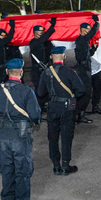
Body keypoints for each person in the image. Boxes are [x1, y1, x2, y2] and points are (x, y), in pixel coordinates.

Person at [0, 58, 41, 200]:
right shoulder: (26, 91)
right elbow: (35, 114)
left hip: (4, 135)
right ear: (21, 72)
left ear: (6, 72)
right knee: (22, 170)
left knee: (7, 169)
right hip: (21, 135)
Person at [36, 46, 85, 175]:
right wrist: (72, 95)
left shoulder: (46, 73)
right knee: (66, 136)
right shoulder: (69, 72)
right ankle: (65, 165)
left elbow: (40, 93)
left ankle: (56, 165)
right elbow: (81, 89)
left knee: (52, 137)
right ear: (64, 56)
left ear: (51, 57)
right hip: (67, 108)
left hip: (52, 108)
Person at [74, 15, 100, 124]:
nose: (89, 32)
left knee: (85, 93)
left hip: (86, 68)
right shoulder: (81, 39)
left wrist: (93, 49)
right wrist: (97, 22)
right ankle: (78, 115)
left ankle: (80, 115)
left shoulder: (83, 41)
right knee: (86, 93)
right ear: (84, 30)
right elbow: (94, 31)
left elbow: (87, 54)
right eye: (88, 30)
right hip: (83, 70)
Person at [29, 17, 57, 108]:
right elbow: (44, 38)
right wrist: (52, 26)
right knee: (39, 90)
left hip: (45, 69)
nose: (41, 35)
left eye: (42, 33)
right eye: (39, 34)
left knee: (46, 89)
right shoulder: (33, 42)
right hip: (37, 71)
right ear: (34, 34)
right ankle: (37, 108)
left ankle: (43, 105)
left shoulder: (46, 42)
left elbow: (51, 49)